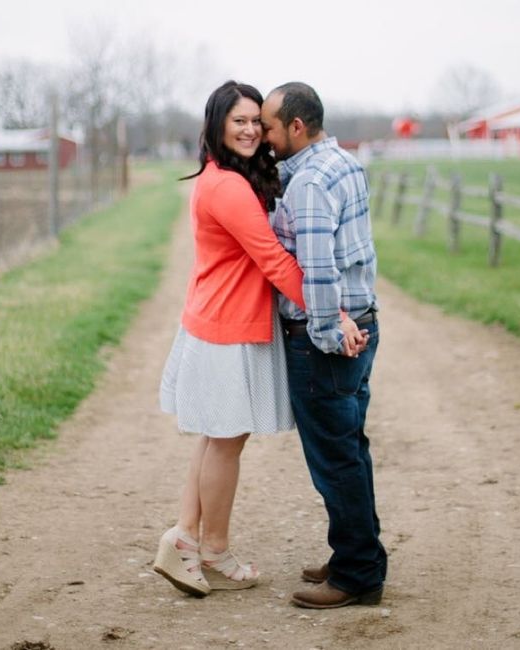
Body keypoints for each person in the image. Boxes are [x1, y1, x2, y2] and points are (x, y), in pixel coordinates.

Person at [153, 80, 365, 598]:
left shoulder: (223, 175)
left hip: (218, 317)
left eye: (256, 121)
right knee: (226, 440)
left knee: (217, 437)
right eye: (239, 121)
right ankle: (210, 547)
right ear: (217, 125)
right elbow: (273, 260)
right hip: (228, 325)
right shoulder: (227, 186)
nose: (251, 131)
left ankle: (186, 538)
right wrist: (335, 313)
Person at [261, 82, 387, 609]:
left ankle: (358, 574)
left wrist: (328, 337)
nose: (262, 136)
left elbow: (317, 270)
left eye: (268, 126)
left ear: (296, 126)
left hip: (327, 345)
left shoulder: (309, 183)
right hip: (363, 322)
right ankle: (356, 556)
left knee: (335, 460)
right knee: (350, 449)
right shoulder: (343, 162)